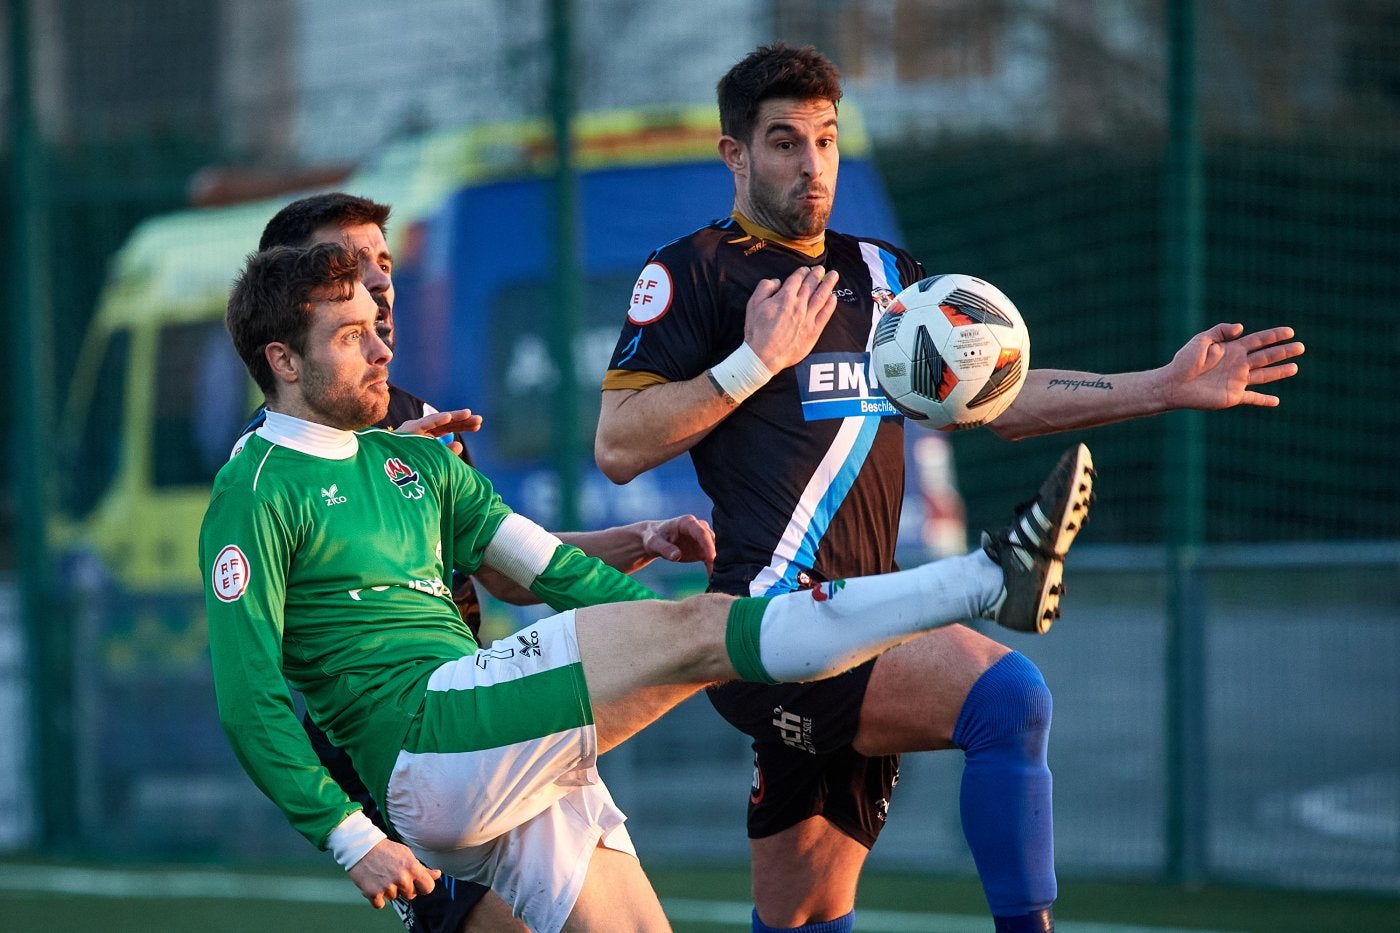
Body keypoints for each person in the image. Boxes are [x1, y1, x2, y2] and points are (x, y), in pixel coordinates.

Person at [594, 44, 1305, 933]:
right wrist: (752, 364)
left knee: (806, 916)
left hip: (866, 617)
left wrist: (1161, 386)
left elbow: (997, 401)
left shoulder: (887, 276)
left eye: (825, 139)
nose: (811, 164)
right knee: (1009, 699)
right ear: (735, 155)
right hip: (769, 622)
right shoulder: (694, 271)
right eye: (783, 142)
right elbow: (619, 445)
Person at [200, 241, 1094, 932]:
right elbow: (248, 703)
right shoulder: (254, 487)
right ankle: (986, 577)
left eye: (377, 324)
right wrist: (352, 840)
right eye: (351, 335)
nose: (381, 346)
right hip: (430, 737)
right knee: (709, 632)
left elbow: (552, 571)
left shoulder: (414, 461)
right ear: (282, 360)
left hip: (504, 767)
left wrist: (683, 630)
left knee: (703, 642)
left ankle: (914, 599)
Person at [241, 192, 718, 933]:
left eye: (383, 261)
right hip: (400, 745)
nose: (376, 279)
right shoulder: (284, 456)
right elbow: (251, 681)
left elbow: (502, 566)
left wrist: (636, 538)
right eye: (348, 261)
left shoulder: (405, 411)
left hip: (480, 707)